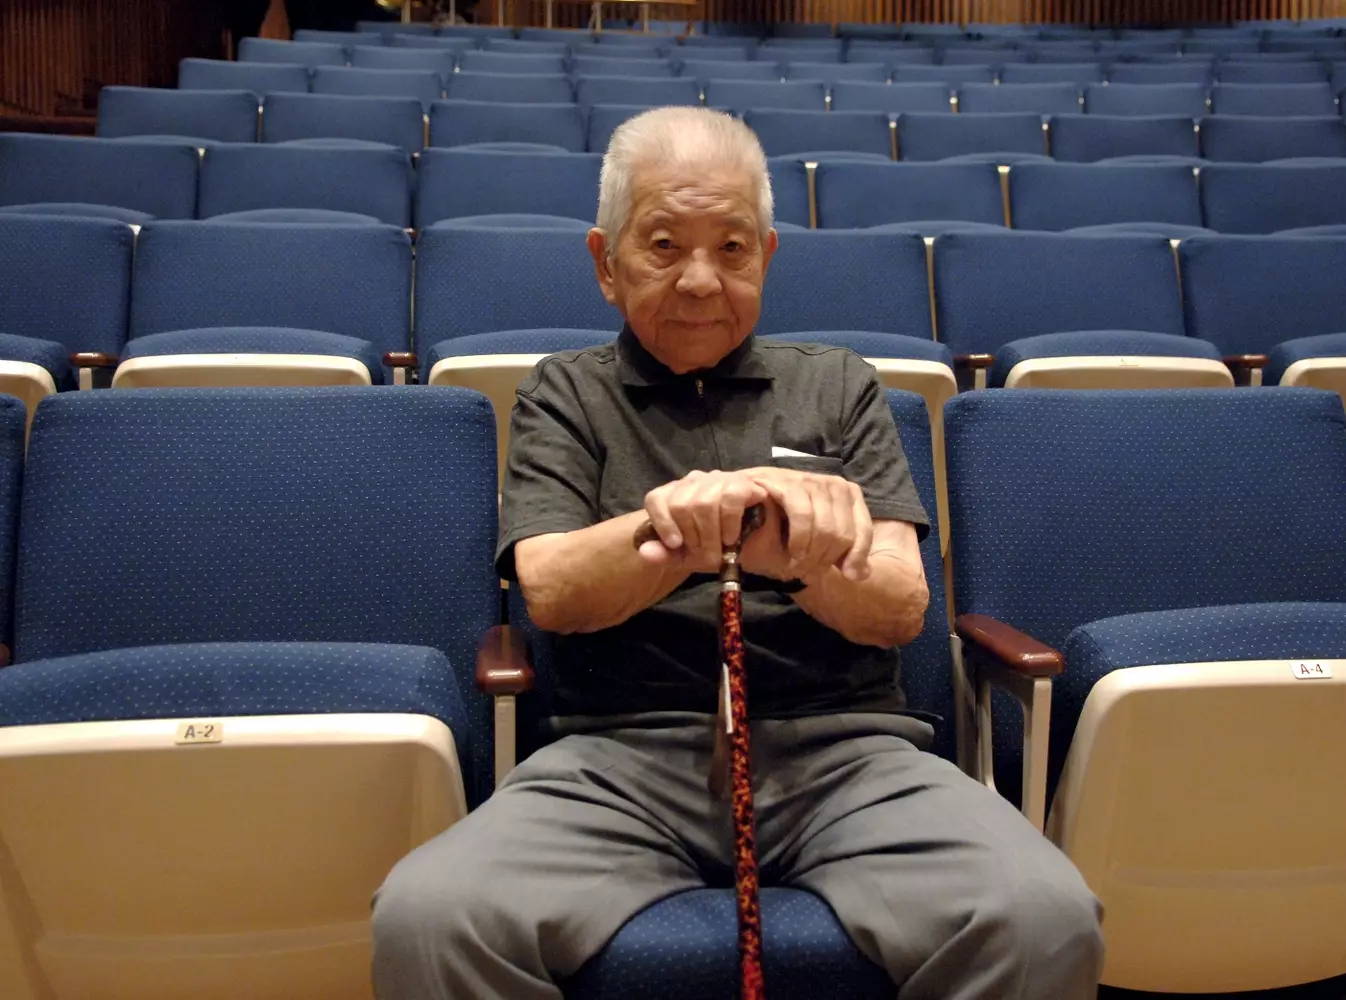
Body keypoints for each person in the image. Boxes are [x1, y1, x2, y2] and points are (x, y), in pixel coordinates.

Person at [371, 106, 1103, 1000]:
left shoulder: (839, 385)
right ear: (606, 263)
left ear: (768, 255)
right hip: (616, 760)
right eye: (665, 244)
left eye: (731, 248)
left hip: (846, 756)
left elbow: (902, 606)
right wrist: (676, 529)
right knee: (431, 919)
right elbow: (554, 590)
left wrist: (786, 553)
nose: (699, 281)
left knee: (1043, 917)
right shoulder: (563, 392)